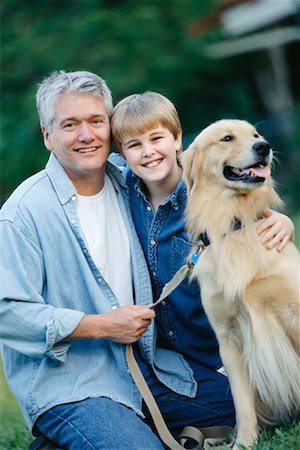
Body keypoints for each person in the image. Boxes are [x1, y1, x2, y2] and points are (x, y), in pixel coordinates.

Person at [110, 91, 295, 437]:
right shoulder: (122, 188)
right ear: (121, 154)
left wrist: (284, 221)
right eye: (134, 145)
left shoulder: (205, 189)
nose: (148, 151)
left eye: (157, 139)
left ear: (178, 140)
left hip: (212, 360)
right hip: (168, 358)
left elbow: (246, 201)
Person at [0, 71, 165, 450]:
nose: (86, 135)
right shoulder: (23, 213)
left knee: (258, 403)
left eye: (96, 121)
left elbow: (202, 191)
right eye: (69, 125)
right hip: (72, 385)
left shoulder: (133, 181)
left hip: (147, 368)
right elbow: (7, 312)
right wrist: (101, 326)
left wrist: (271, 219)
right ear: (47, 135)